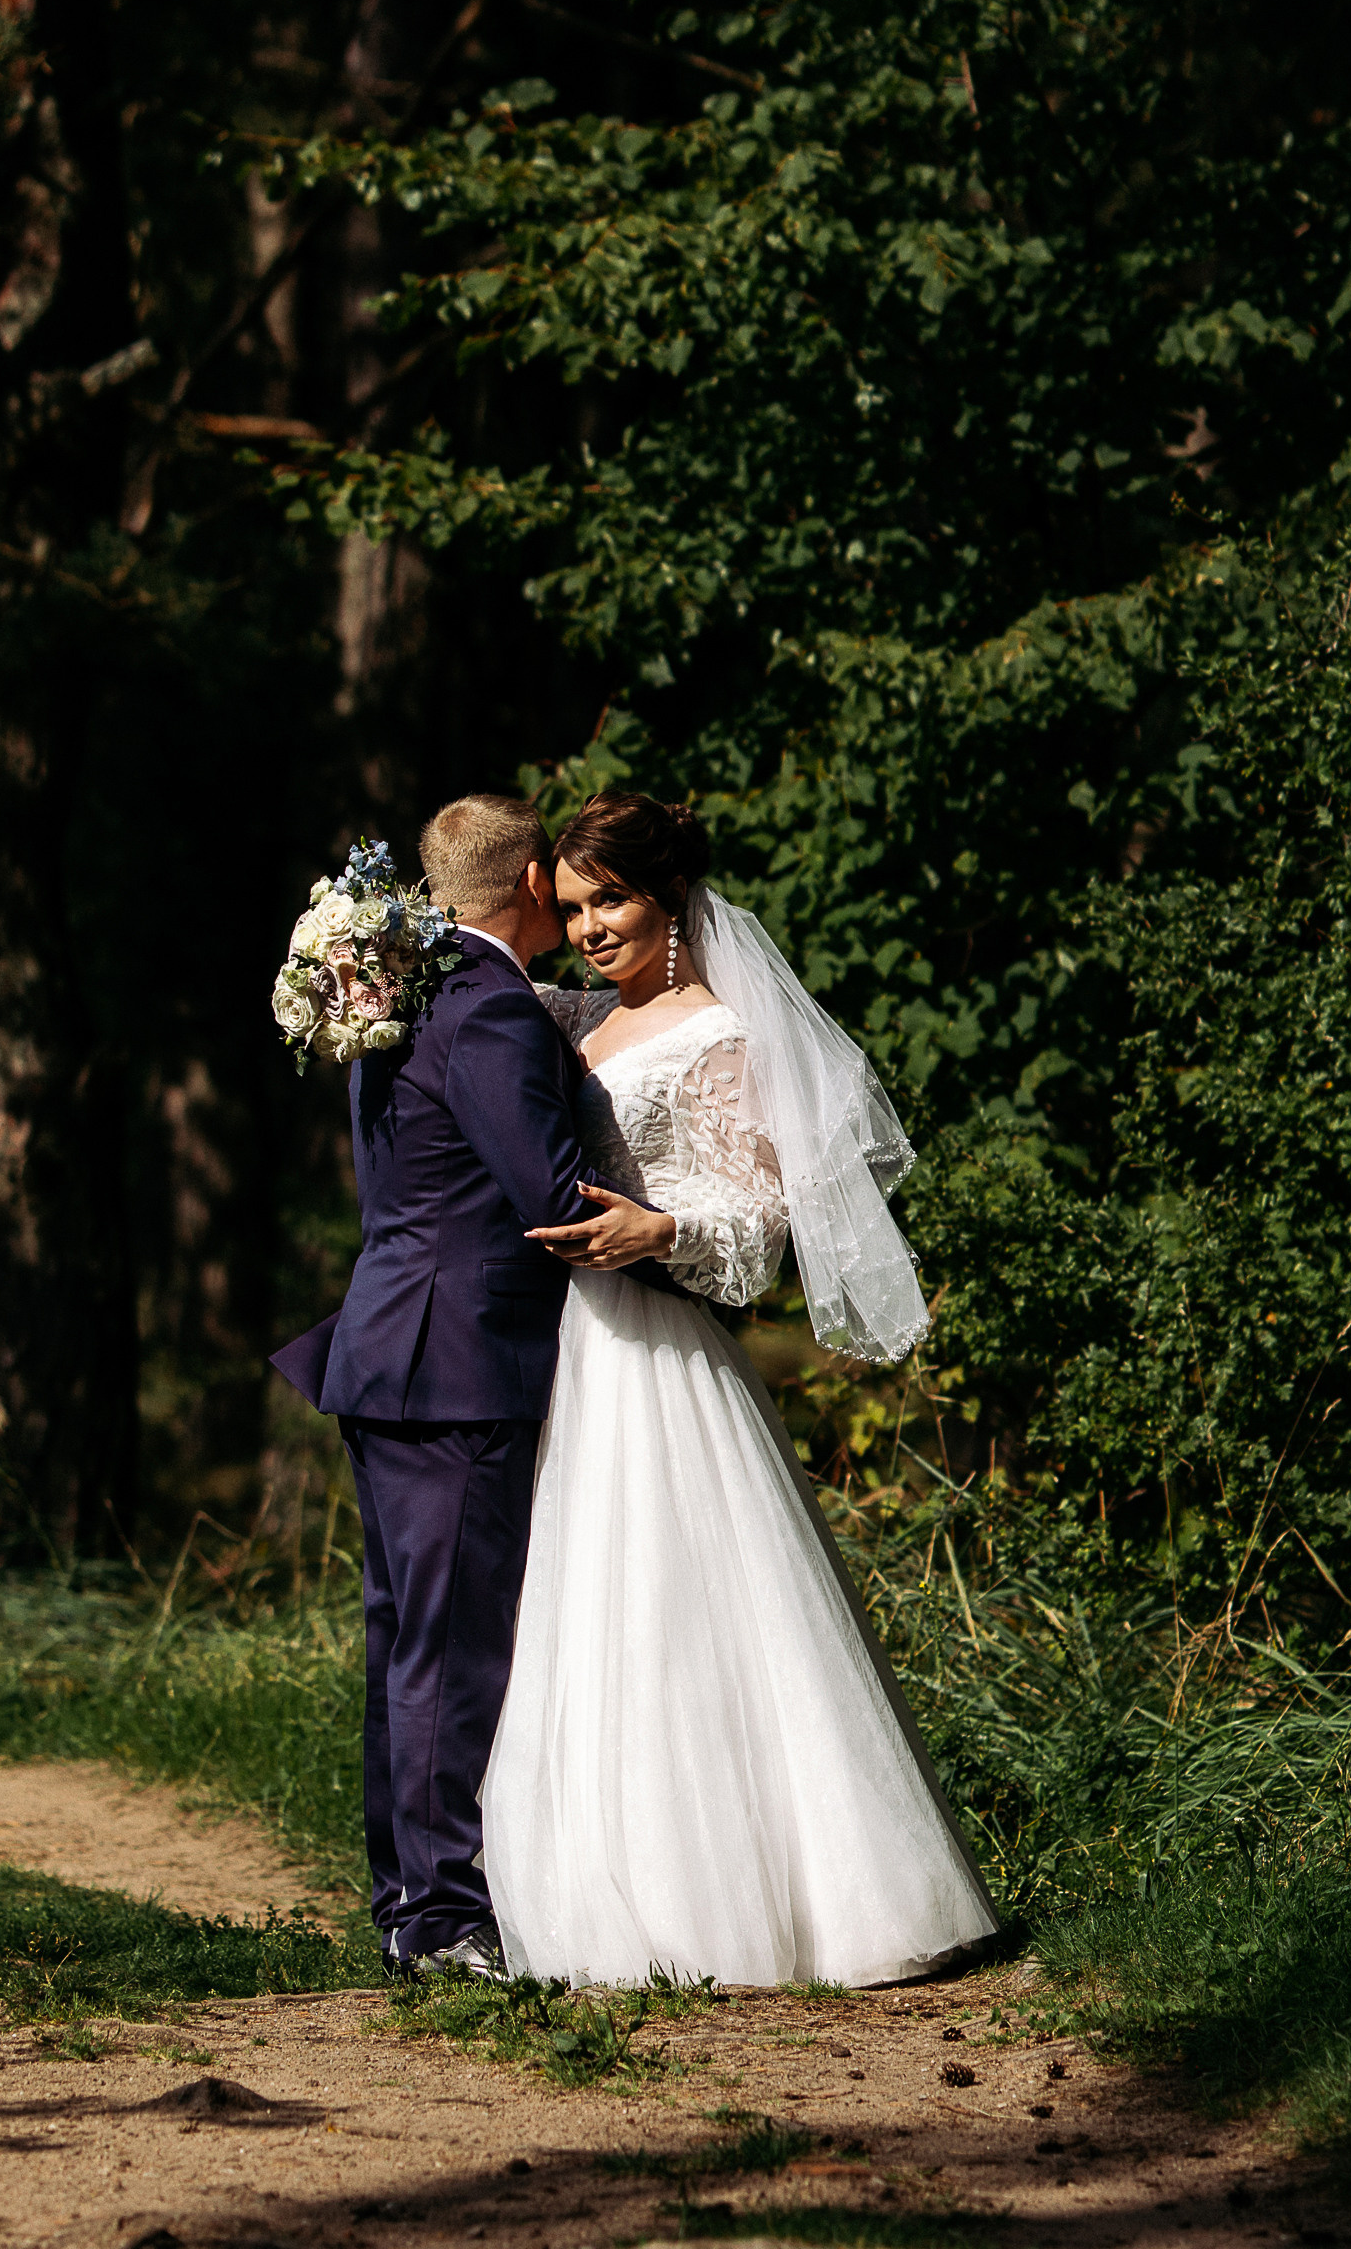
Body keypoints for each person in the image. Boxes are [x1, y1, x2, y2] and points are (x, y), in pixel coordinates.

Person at [478, 788, 999, 1988]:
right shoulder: (562, 1017)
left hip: (664, 1354)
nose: (592, 925)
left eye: (610, 898)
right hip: (574, 1347)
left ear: (669, 900)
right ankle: (593, 1901)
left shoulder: (716, 1034)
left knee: (684, 1615)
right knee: (588, 1615)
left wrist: (656, 1232)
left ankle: (768, 1910)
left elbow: (757, 1225)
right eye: (571, 905)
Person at [270, 792, 687, 1978]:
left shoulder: (401, 984)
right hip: (456, 1363)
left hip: (387, 1345)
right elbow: (548, 1198)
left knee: (405, 1642)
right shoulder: (490, 1006)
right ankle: (442, 1921)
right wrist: (661, 1228)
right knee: (448, 1652)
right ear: (526, 882)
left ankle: (407, 1898)